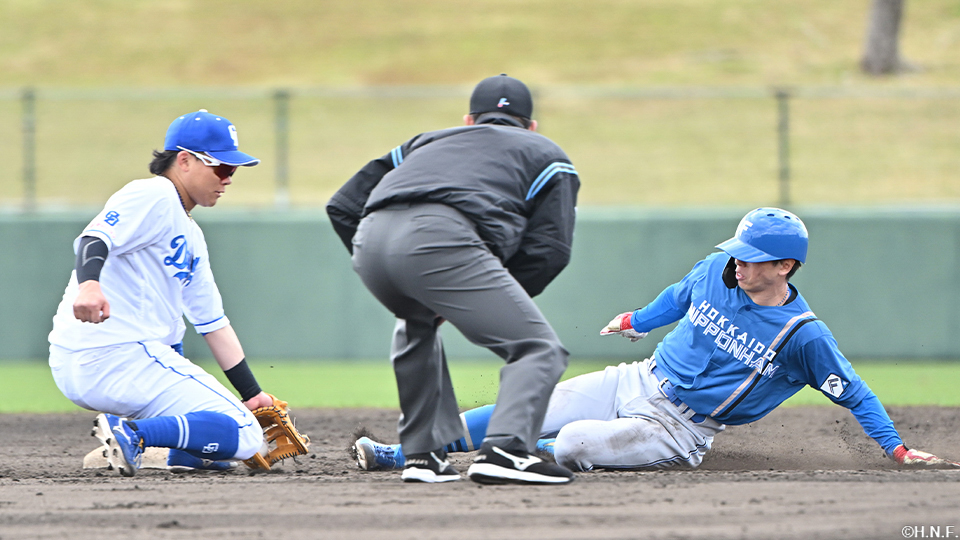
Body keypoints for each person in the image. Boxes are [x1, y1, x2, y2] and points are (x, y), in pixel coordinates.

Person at [354, 208, 958, 472]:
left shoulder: (804, 336)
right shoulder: (717, 273)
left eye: (754, 260)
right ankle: (400, 453)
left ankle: (512, 456)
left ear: (787, 268)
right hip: (637, 378)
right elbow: (679, 295)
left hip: (680, 428)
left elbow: (854, 394)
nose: (740, 266)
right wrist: (638, 321)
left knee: (570, 443)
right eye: (739, 255)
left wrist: (897, 449)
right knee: (525, 406)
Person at [327, 74, 579, 485]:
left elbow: (342, 205)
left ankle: (422, 458)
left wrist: (379, 257)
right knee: (539, 348)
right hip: (443, 239)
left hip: (371, 240)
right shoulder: (544, 151)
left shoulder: (425, 141)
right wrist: (490, 296)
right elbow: (550, 250)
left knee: (417, 322)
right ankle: (507, 450)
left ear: (468, 120)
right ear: (530, 126)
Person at [48, 110, 274, 477]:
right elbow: (95, 236)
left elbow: (212, 323)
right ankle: (133, 435)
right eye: (221, 168)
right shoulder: (153, 194)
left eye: (233, 171)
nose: (228, 179)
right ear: (184, 161)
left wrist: (253, 393)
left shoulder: (192, 236)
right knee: (247, 435)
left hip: (92, 363)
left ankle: (187, 452)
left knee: (217, 418)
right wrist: (89, 282)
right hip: (120, 353)